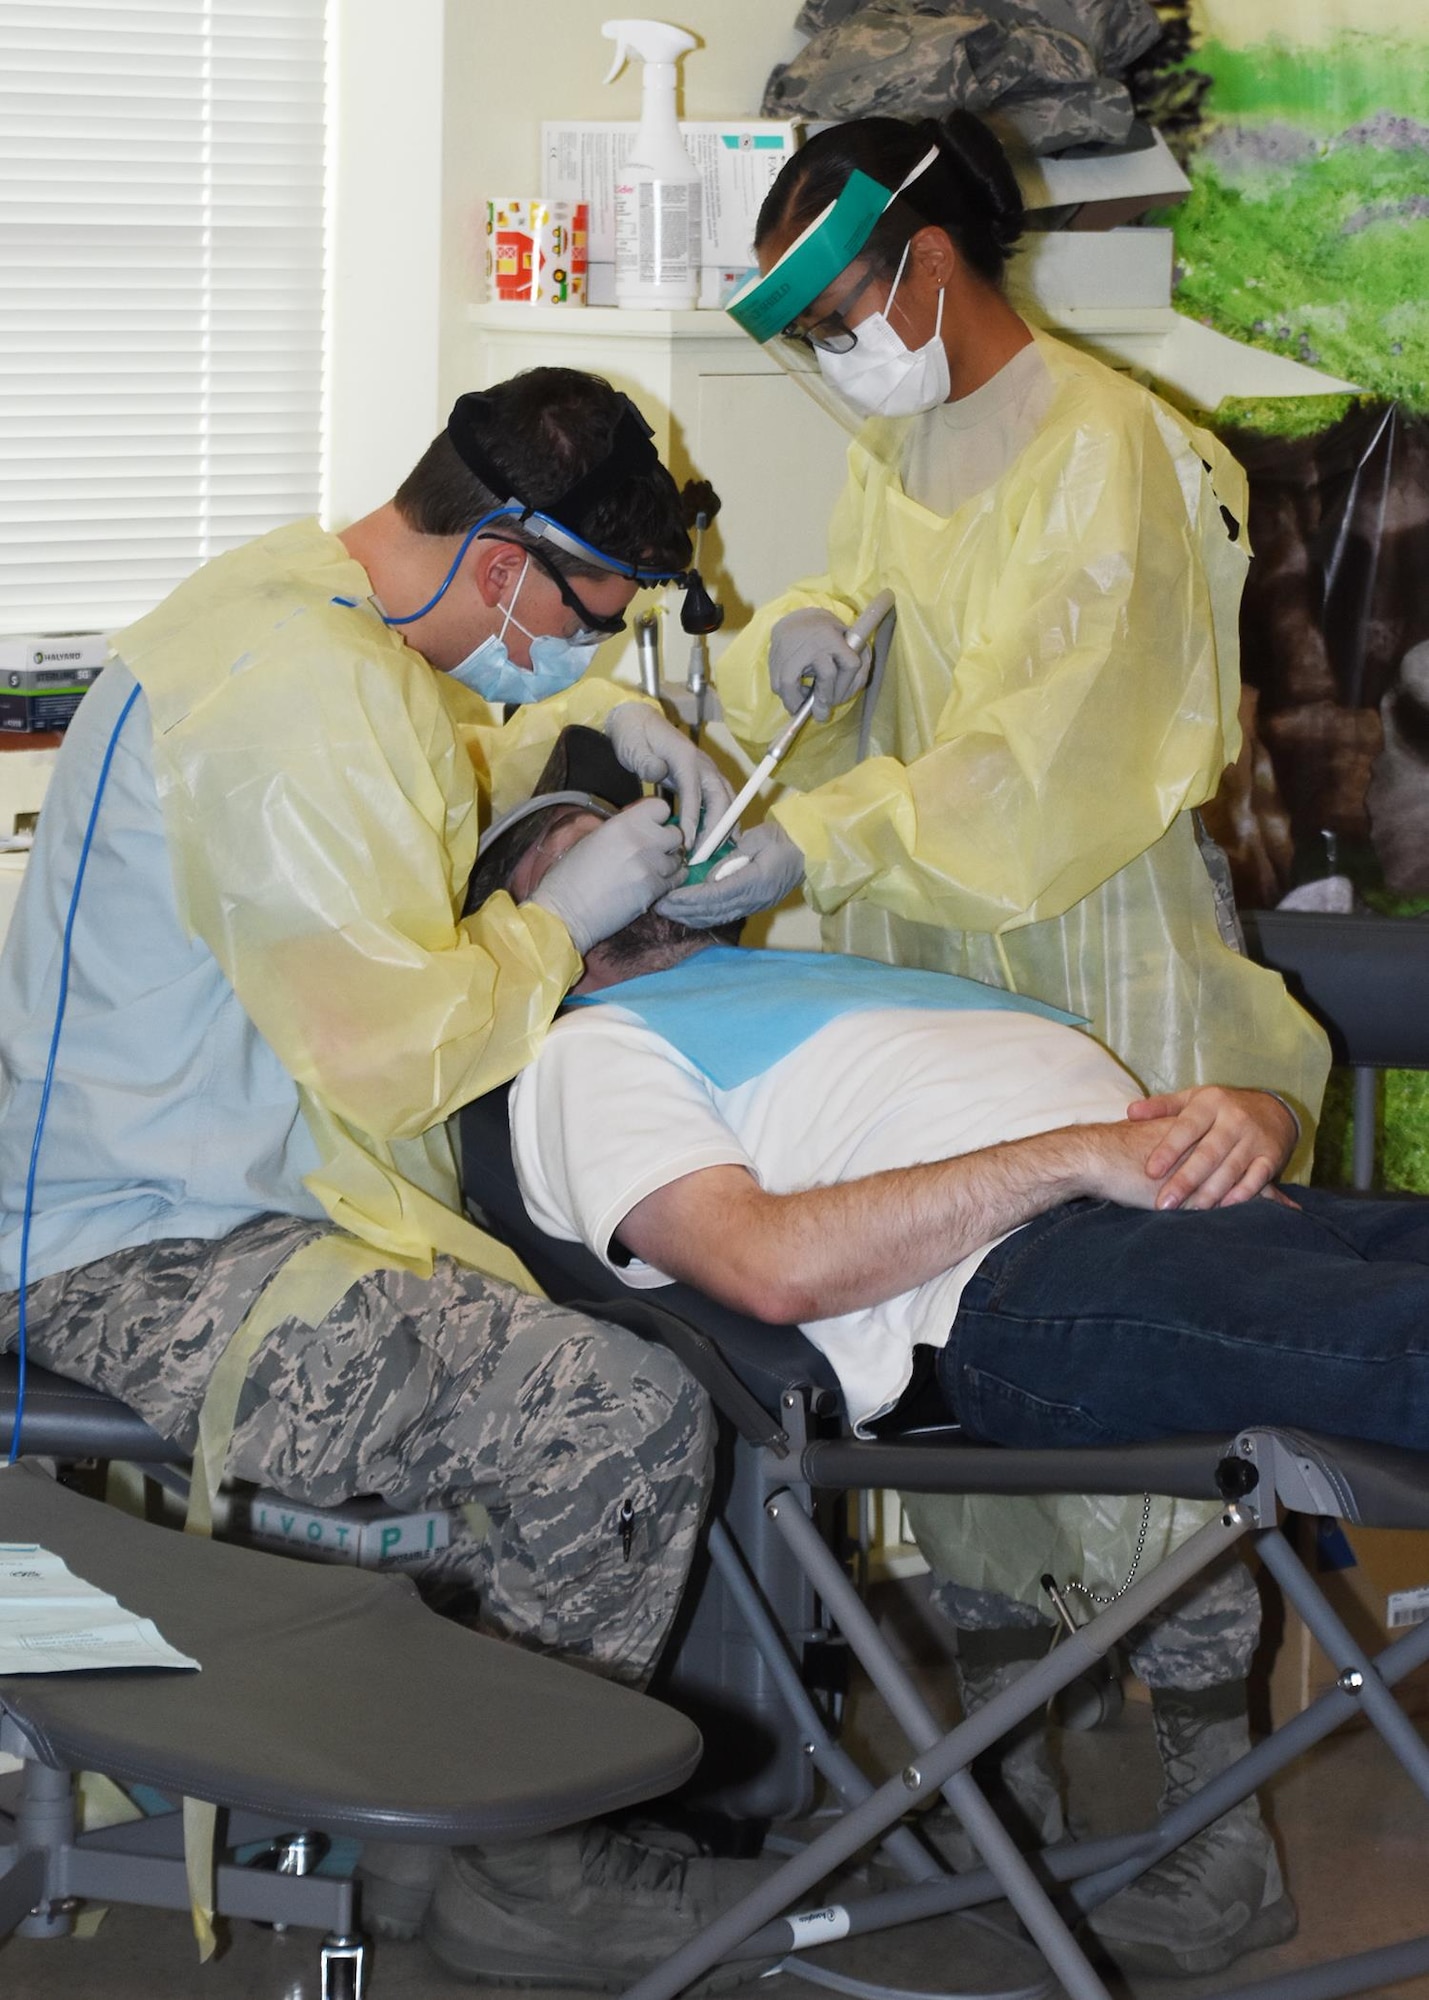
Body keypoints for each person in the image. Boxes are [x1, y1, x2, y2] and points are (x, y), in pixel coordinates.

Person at [0, 370, 797, 1985]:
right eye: (589, 620)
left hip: (193, 1183)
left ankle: (447, 1792)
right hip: (141, 1257)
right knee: (620, 1411)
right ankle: (523, 1871)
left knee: (598, 1327)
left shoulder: (297, 603)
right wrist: (557, 924)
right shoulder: (299, 692)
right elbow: (390, 1052)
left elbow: (381, 798)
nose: (586, 644)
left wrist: (557, 741)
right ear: (504, 565)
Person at [689, 112, 1335, 1972]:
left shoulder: (1112, 451)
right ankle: (1023, 1788)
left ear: (922, 263)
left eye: (838, 309)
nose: (836, 358)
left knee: (1142, 1378)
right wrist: (789, 664)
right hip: (921, 979)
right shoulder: (901, 456)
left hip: (1091, 962)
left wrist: (838, 829)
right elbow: (876, 691)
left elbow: (1055, 768)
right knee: (947, 1357)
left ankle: (1222, 1831)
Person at [470, 754, 1424, 1980]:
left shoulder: (841, 980)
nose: (636, 859)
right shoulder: (582, 1053)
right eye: (579, 855)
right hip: (1024, 1288)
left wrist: (1257, 1114)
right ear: (529, 927)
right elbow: (770, 1266)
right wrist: (1074, 1157)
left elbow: (1143, 1124)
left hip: (1240, 1213)